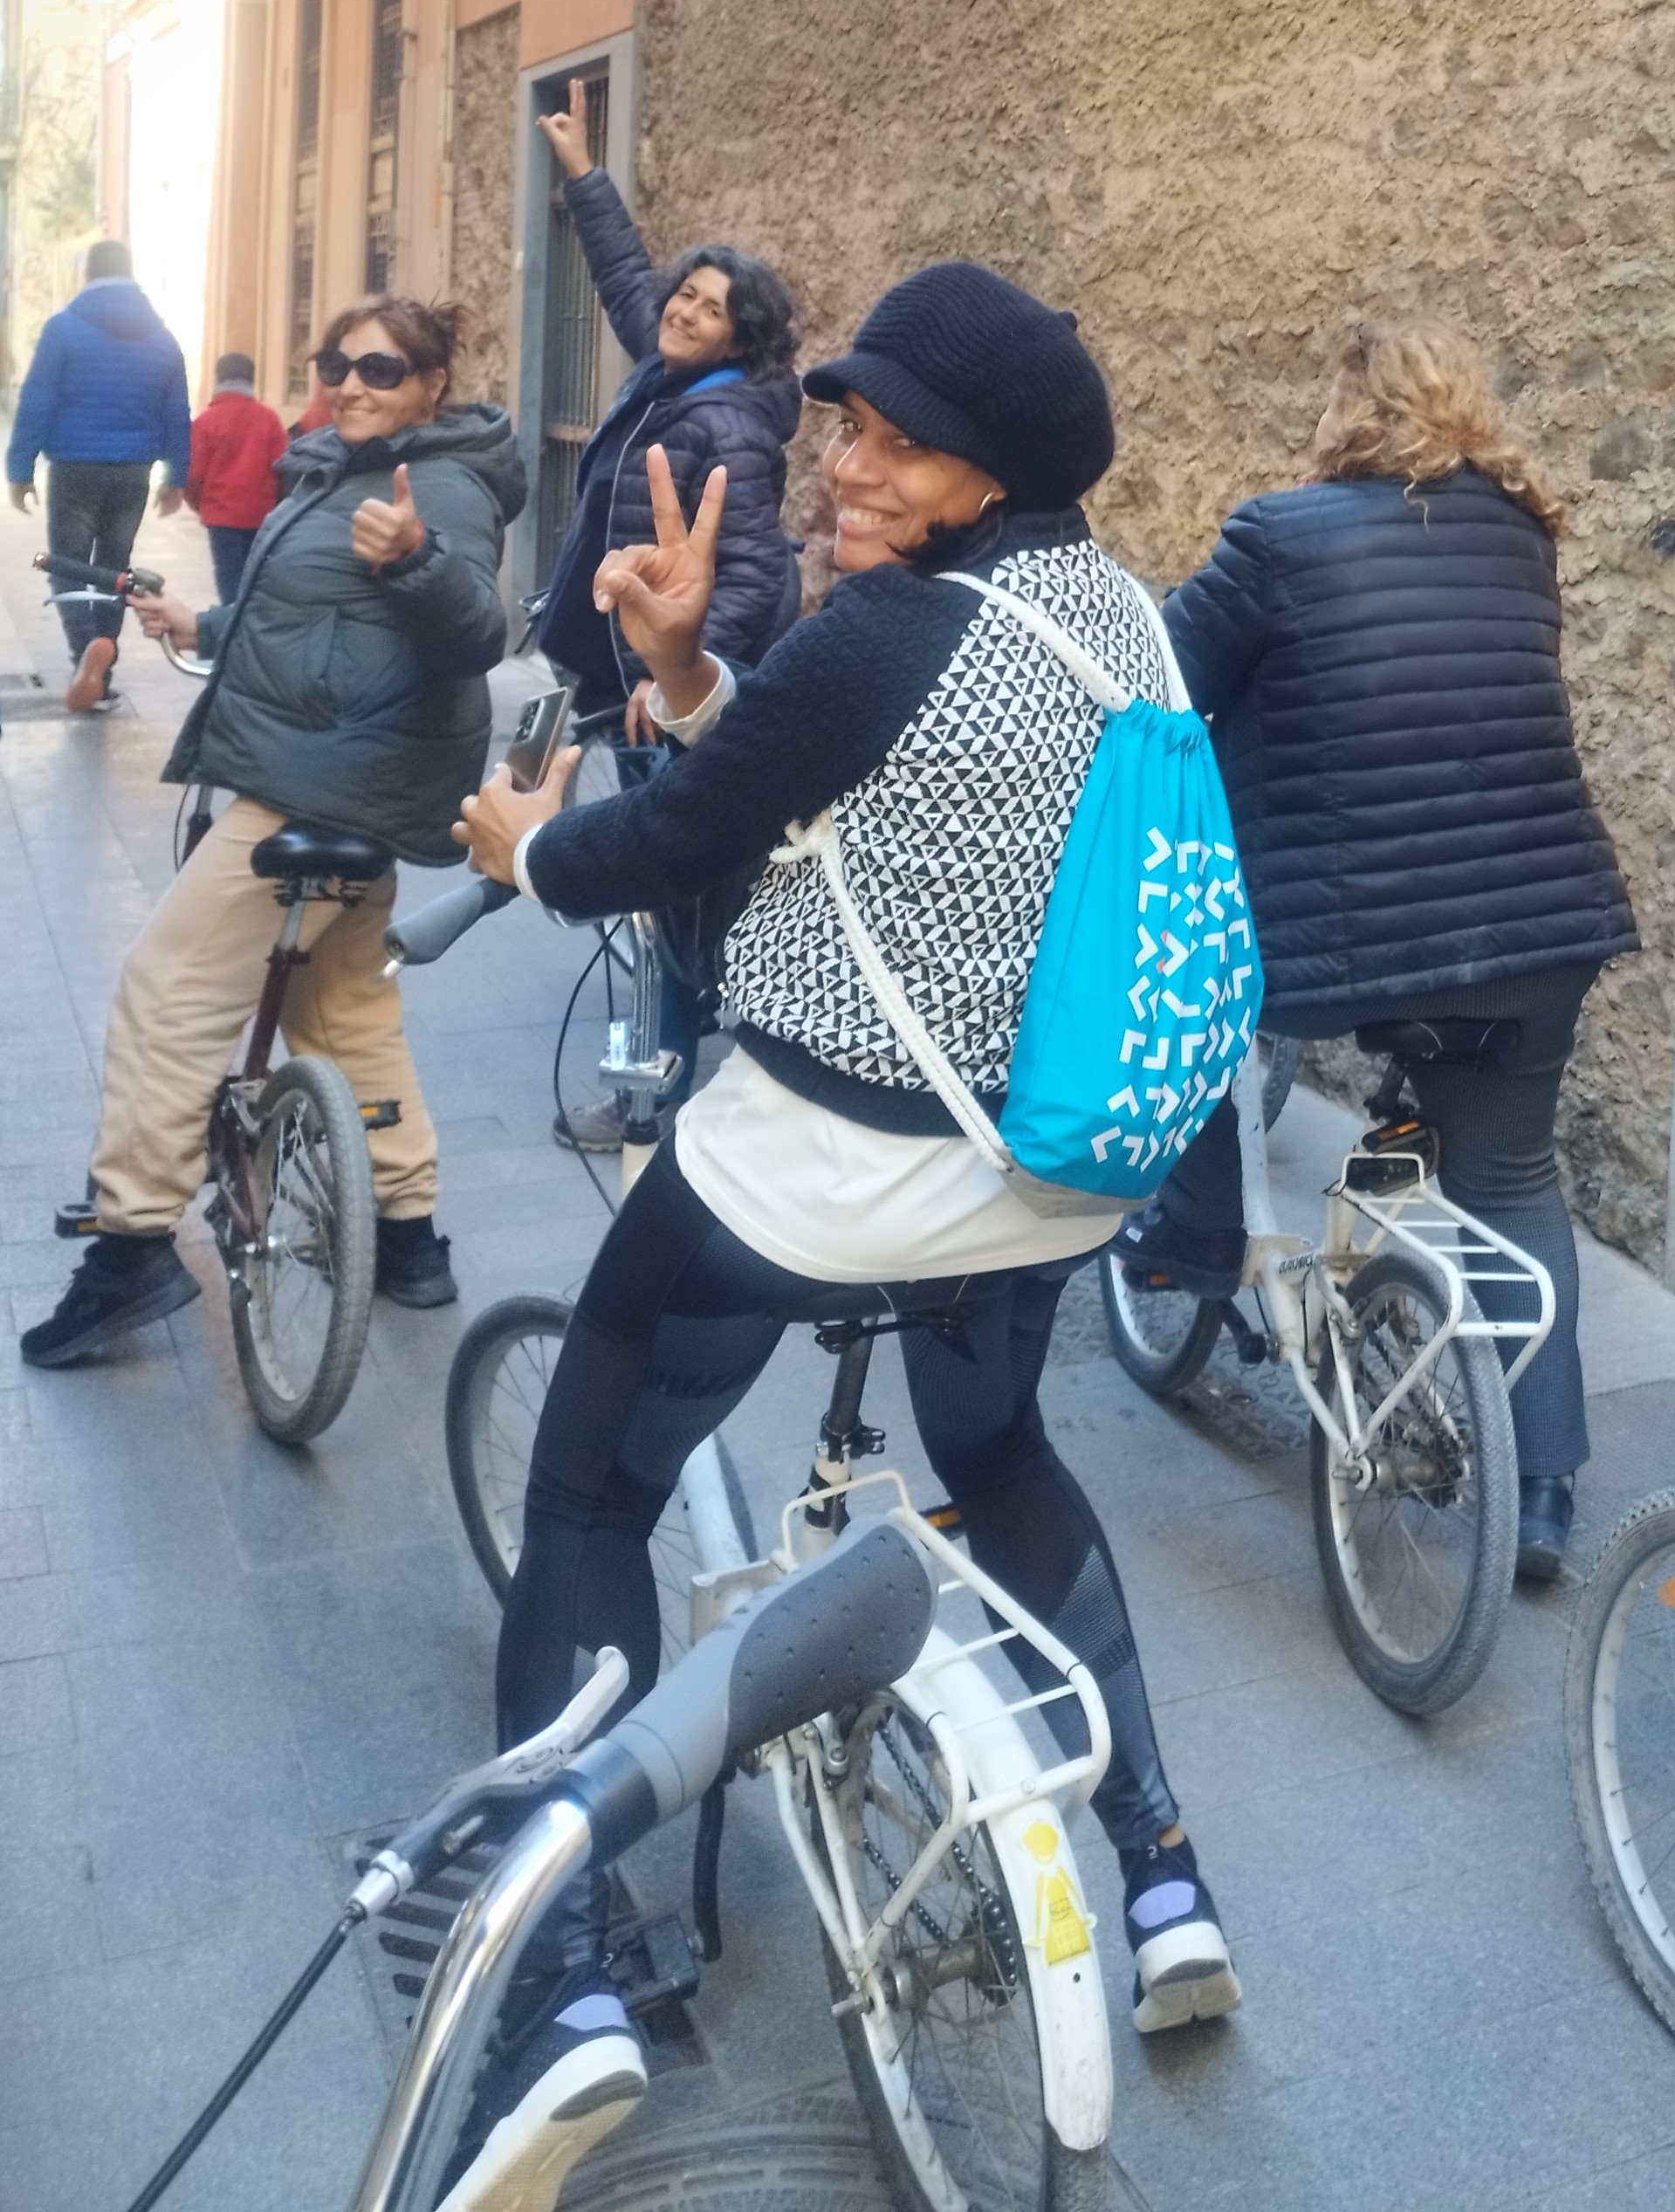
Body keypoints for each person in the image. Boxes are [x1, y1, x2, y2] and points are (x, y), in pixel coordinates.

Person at [439, 264, 1239, 2195]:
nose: (843, 467)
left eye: (885, 437)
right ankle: (1157, 1866)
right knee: (1004, 1447)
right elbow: (837, 794)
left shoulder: (888, 631)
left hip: (818, 1168)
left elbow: (676, 838)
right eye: (845, 428)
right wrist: (696, 672)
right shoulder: (1120, 615)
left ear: (980, 469)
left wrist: (525, 847)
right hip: (1049, 1165)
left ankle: (561, 1986)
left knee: (584, 1506)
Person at [1113, 319, 1637, 1579]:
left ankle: (1181, 1243)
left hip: (1353, 934)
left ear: (1344, 411)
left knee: (1190, 1002)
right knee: (1512, 1180)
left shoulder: (1278, 535)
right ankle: (1548, 1490)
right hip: (1542, 922)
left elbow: (1167, 689)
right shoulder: (1521, 534)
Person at [18, 297, 525, 1364]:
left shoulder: (440, 486)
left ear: (435, 384)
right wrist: (205, 624)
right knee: (347, 1012)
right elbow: (309, 608)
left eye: (380, 369)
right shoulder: (341, 466)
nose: (350, 383)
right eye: (336, 362)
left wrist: (420, 556)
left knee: (166, 990)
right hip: (345, 781)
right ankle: (408, 1235)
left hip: (313, 787)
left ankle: (131, 1242)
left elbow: (481, 623)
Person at [530, 82, 805, 1153]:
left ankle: (662, 1090)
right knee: (673, 898)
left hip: (662, 698)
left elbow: (747, 573)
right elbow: (622, 282)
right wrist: (582, 171)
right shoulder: (672, 374)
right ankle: (698, 1060)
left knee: (668, 899)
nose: (683, 314)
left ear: (745, 336)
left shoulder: (727, 423)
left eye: (707, 309)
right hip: (626, 679)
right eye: (682, 299)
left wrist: (683, 678)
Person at [6, 238, 193, 711]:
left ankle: (84, 651)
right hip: (133, 470)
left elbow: (38, 400)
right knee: (113, 570)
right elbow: (177, 412)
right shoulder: (163, 339)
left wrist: (20, 467)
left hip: (73, 467)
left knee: (67, 564)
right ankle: (102, 674)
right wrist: (177, 476)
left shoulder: (63, 330)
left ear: (88, 275)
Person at [184, 351, 289, 604]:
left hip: (221, 516)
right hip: (261, 513)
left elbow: (193, 475)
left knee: (228, 578)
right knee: (255, 576)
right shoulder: (269, 419)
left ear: (218, 379)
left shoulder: (205, 423)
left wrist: (203, 506)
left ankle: (231, 627)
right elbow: (284, 467)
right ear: (252, 380)